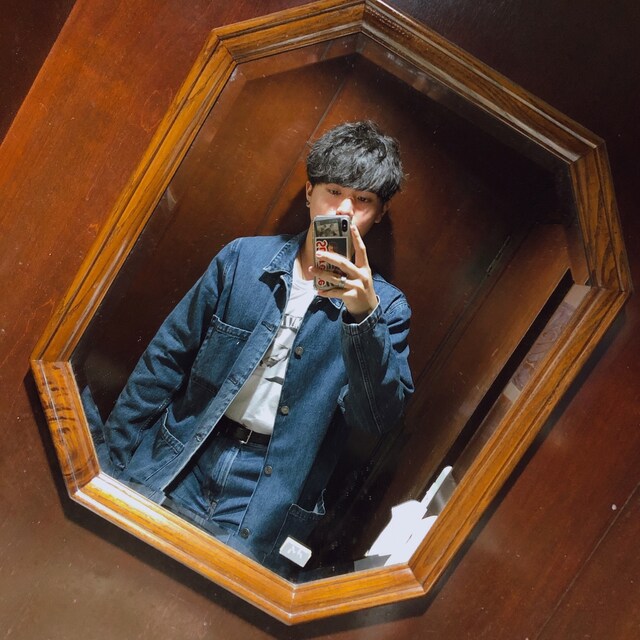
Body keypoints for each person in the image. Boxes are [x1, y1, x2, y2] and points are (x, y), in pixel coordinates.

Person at [96, 121, 414, 569]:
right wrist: (110, 461)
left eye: (363, 200)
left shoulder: (388, 308)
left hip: (268, 494)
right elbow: (165, 359)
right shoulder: (242, 260)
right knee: (114, 567)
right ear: (309, 192)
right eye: (333, 191)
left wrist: (363, 317)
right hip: (185, 451)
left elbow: (375, 419)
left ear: (379, 213)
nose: (344, 209)